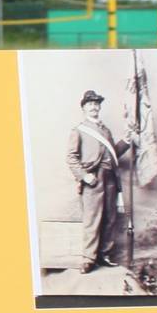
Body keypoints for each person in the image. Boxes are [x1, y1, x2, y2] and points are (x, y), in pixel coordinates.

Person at [66, 90, 135, 272]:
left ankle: (104, 255)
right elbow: (71, 158)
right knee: (92, 219)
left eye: (96, 104)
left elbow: (113, 154)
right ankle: (88, 259)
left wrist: (126, 141)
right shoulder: (79, 131)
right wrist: (84, 176)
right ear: (83, 108)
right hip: (93, 179)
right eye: (90, 104)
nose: (94, 107)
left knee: (110, 218)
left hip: (110, 178)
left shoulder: (106, 131)